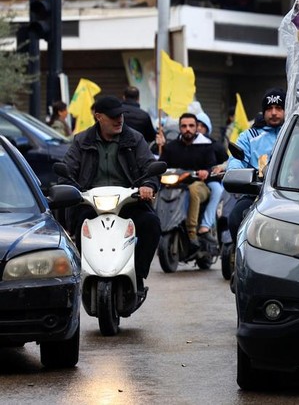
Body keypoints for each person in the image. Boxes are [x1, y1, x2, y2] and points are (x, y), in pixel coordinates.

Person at [58, 96, 160, 305]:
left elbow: (149, 165)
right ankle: (84, 276)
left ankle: (138, 275)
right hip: (90, 204)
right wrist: (72, 189)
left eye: (121, 115)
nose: (119, 120)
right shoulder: (81, 140)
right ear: (98, 117)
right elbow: (66, 171)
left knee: (151, 224)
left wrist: (149, 185)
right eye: (113, 116)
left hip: (128, 203)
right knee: (80, 226)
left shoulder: (135, 139)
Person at [226, 88, 286, 245]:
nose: (274, 113)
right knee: (234, 219)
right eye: (269, 109)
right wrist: (235, 173)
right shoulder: (249, 135)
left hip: (290, 194)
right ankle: (240, 260)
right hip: (256, 194)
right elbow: (236, 159)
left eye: (279, 108)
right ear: (263, 111)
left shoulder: (295, 133)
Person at [157, 112, 217, 252]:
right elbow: (162, 164)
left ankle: (191, 231)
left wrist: (206, 171)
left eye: (191, 126)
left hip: (199, 185)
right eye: (184, 126)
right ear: (179, 128)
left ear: (197, 127)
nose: (187, 129)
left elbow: (212, 166)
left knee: (193, 190)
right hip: (177, 185)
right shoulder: (171, 146)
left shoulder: (206, 145)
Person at [196, 112, 228, 239]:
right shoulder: (186, 143)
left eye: (202, 126)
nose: (198, 128)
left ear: (207, 128)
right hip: (189, 180)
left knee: (218, 190)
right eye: (196, 125)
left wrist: (218, 170)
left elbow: (227, 162)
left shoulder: (215, 145)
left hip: (210, 181)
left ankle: (206, 224)